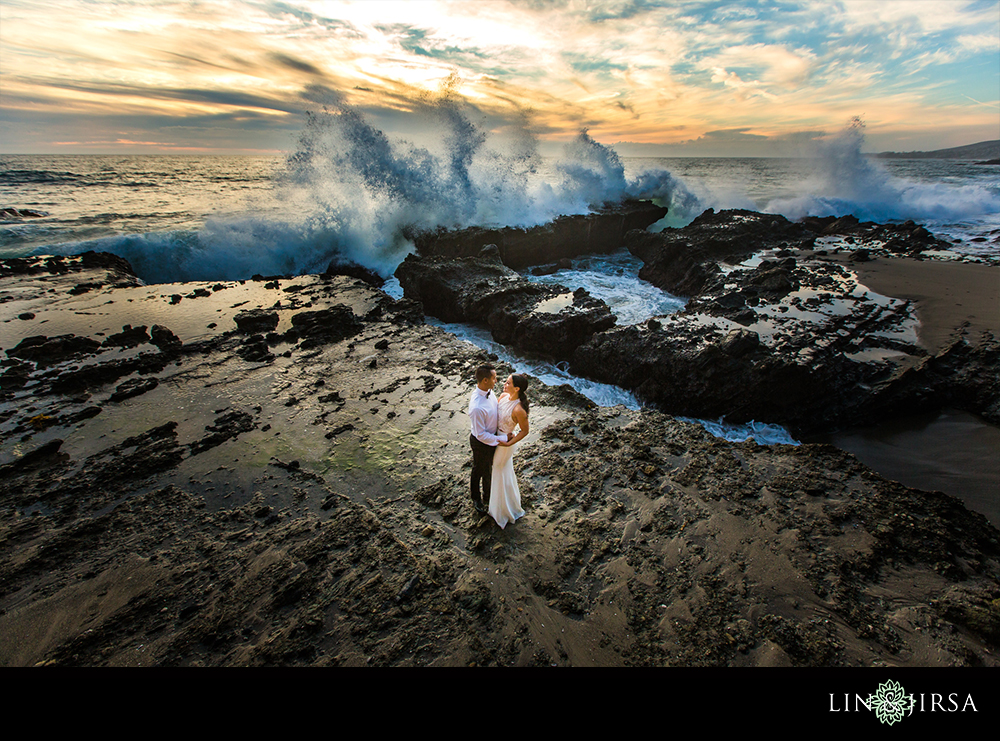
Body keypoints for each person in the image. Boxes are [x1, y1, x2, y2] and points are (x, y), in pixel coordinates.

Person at [490, 373, 529, 529]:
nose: (504, 384)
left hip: (505, 443)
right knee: (503, 471)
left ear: (517, 388)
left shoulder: (519, 409)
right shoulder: (503, 396)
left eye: (508, 382)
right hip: (495, 437)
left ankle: (502, 510)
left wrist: (510, 442)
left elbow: (524, 431)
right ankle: (507, 503)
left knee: (498, 470)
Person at [468, 364, 507, 514]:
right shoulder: (477, 407)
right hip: (480, 443)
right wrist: (502, 439)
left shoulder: (489, 391)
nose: (496, 381)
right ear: (485, 380)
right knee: (479, 469)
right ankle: (476, 498)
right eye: (494, 378)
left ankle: (488, 496)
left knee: (488, 469)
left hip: (492, 438)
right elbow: (480, 435)